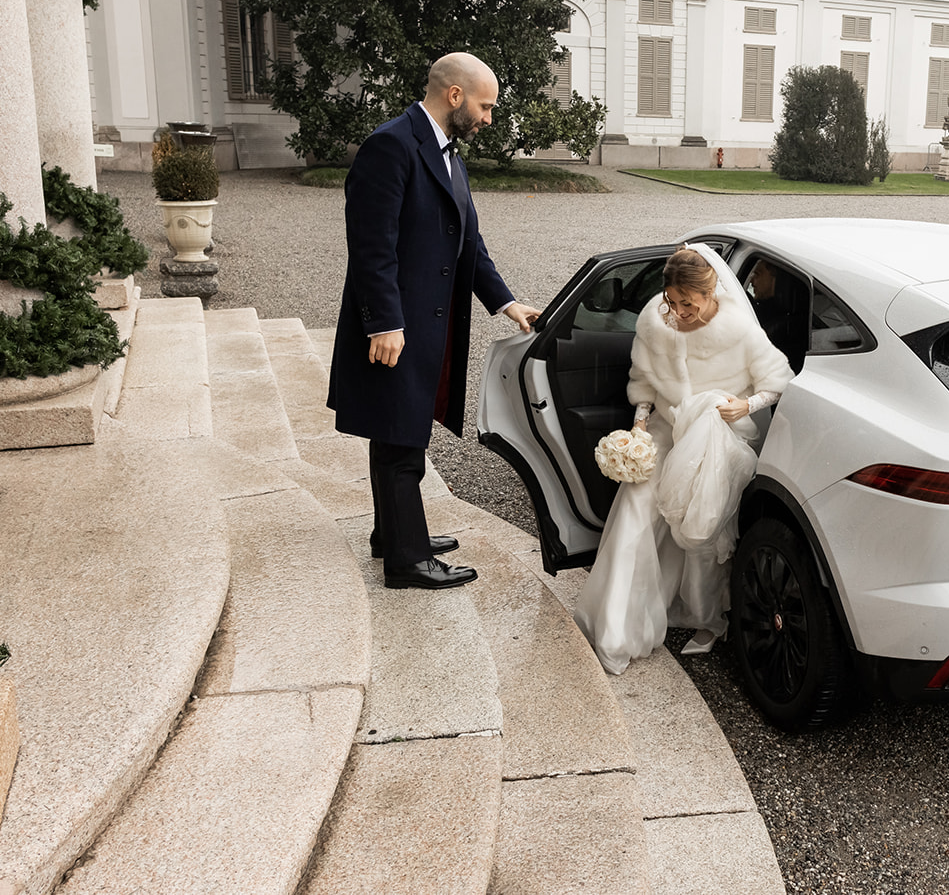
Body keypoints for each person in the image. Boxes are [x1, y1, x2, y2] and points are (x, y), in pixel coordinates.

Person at [328, 53, 542, 589]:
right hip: (396, 326)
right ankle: (407, 561)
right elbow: (371, 247)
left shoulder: (447, 151)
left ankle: (392, 534)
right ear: (455, 95)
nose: (489, 118)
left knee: (400, 429)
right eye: (485, 106)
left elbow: (469, 241)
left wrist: (507, 303)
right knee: (400, 437)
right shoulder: (391, 145)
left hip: (426, 325)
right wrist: (383, 323)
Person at [573, 245, 793, 674]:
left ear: (711, 294)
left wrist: (745, 406)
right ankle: (615, 629)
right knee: (634, 512)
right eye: (671, 301)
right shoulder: (654, 322)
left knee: (701, 532)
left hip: (715, 437)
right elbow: (644, 381)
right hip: (665, 430)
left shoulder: (740, 331)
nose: (678, 312)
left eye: (688, 303)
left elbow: (777, 382)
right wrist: (639, 424)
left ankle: (706, 619)